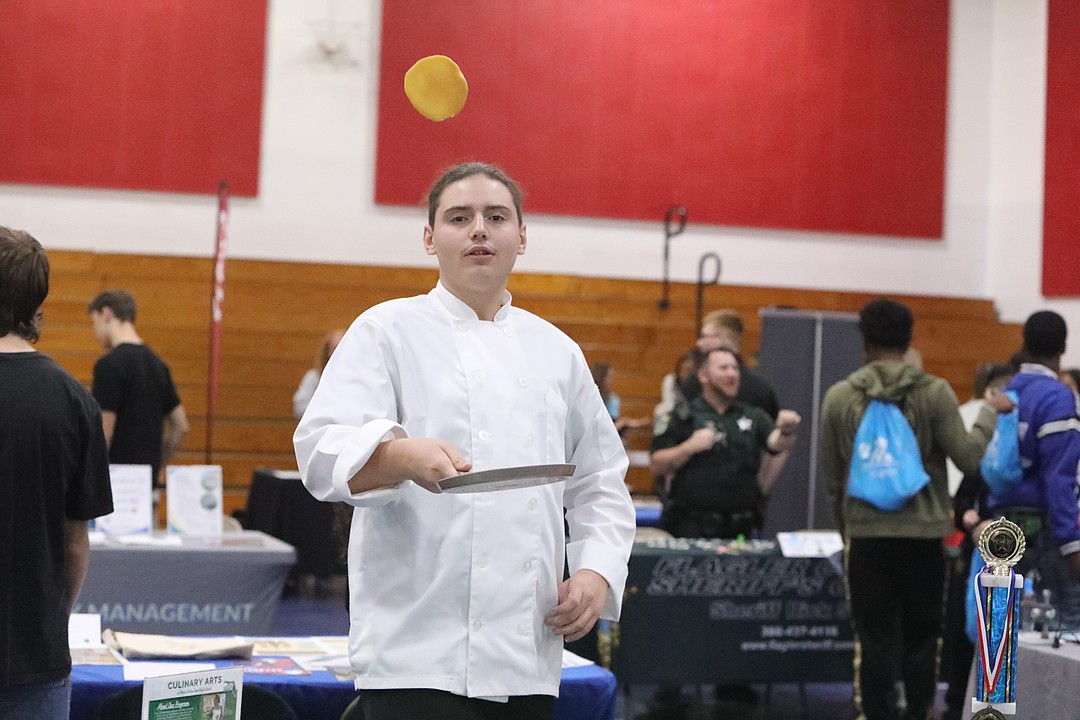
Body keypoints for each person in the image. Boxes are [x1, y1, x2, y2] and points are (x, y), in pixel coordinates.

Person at [293, 162, 635, 720]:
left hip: (526, 646)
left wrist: (596, 571)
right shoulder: (385, 330)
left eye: (496, 217)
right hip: (415, 647)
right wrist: (399, 455)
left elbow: (599, 477)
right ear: (430, 238)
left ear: (521, 237)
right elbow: (320, 450)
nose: (479, 229)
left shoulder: (556, 351)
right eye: (459, 217)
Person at [818, 298, 997, 720]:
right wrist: (989, 415)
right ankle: (918, 713)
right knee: (923, 640)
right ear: (909, 338)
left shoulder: (840, 397)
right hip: (922, 538)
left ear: (864, 340)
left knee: (873, 641)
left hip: (867, 538)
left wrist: (850, 530)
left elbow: (831, 480)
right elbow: (970, 459)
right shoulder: (934, 393)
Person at [0, 227, 113, 719]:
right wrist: (48, 618)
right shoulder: (73, 401)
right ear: (37, 299)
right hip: (36, 652)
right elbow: (75, 545)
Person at [980, 310, 1080, 625]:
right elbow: (1058, 477)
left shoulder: (1003, 393)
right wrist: (1071, 543)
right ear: (1063, 347)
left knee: (999, 635)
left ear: (1024, 343)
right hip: (1045, 535)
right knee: (1059, 638)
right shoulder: (1057, 398)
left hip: (999, 528)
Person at [650, 346, 800, 538]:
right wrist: (689, 447)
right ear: (703, 376)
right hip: (692, 527)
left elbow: (775, 443)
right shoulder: (683, 416)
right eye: (723, 368)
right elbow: (657, 463)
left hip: (740, 528)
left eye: (735, 368)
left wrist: (786, 431)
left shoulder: (753, 415)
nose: (732, 374)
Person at [941, 363, 1012, 720]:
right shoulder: (982, 438)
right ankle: (957, 704)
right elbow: (961, 500)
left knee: (1001, 640)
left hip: (1014, 556)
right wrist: (969, 520)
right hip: (977, 552)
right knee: (966, 633)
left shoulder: (1021, 443)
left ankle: (992, 707)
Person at [88, 289, 189, 485]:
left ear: (106, 314)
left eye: (94, 323)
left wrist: (90, 477)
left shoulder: (109, 365)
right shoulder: (158, 365)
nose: (95, 333)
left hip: (116, 484)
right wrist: (156, 464)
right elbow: (181, 426)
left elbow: (104, 433)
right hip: (146, 483)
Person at [293, 328, 345, 419]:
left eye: (343, 348)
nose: (339, 353)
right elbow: (300, 407)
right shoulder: (314, 378)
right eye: (335, 349)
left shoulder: (359, 377)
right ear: (327, 352)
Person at [590, 361, 648, 435]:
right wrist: (624, 422)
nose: (612, 381)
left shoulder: (613, 399)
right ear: (601, 378)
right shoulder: (590, 398)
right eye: (609, 377)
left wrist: (627, 423)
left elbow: (613, 424)